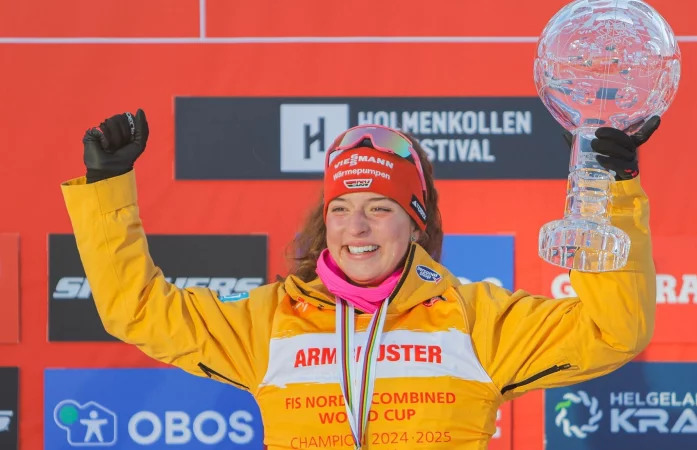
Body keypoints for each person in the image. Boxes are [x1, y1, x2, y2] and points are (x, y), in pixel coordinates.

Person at [61, 109, 659, 450]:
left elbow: (613, 330)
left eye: (381, 207)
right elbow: (135, 310)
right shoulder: (269, 322)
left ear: (415, 222)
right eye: (341, 208)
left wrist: (610, 195)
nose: (356, 227)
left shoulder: (474, 320)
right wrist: (106, 190)